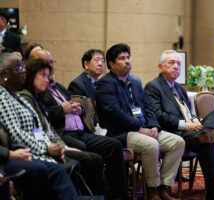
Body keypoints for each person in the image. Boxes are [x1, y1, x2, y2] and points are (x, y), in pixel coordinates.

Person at [32, 49, 128, 200]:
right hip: (64, 133)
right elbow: (41, 115)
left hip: (82, 131)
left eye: (52, 62)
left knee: (114, 145)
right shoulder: (39, 91)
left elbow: (80, 109)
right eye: (47, 63)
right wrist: (62, 109)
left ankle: (118, 196)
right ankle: (89, 196)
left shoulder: (60, 88)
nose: (51, 67)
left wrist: (79, 110)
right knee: (88, 153)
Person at [144, 50, 214, 200]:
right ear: (160, 66)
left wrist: (194, 119)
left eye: (179, 64)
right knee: (206, 142)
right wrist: (185, 125)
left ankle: (205, 133)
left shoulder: (180, 88)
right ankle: (212, 190)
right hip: (176, 133)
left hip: (193, 130)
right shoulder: (153, 87)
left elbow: (189, 111)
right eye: (171, 63)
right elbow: (158, 116)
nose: (176, 67)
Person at [95, 43, 185, 200]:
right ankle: (152, 190)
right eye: (122, 58)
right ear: (111, 63)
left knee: (177, 142)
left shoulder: (135, 81)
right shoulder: (105, 84)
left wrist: (154, 126)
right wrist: (139, 128)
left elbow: (147, 107)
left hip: (143, 129)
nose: (127, 61)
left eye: (128, 57)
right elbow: (115, 113)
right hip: (120, 133)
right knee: (151, 144)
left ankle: (165, 186)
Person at [19, 58, 105, 195]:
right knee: (85, 160)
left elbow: (49, 129)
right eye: (43, 75)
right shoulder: (25, 97)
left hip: (58, 140)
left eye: (48, 76)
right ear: (30, 75)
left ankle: (96, 197)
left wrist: (62, 145)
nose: (47, 80)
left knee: (96, 158)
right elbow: (36, 130)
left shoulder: (42, 95)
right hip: (41, 147)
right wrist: (58, 147)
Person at [0, 52, 78, 200]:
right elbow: (16, 134)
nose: (24, 70)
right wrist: (46, 149)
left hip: (35, 148)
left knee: (72, 165)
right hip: (21, 152)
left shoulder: (14, 95)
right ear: (4, 74)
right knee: (57, 169)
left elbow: (39, 129)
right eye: (19, 67)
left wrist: (51, 147)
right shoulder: (2, 96)